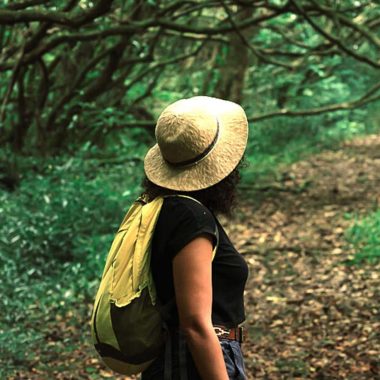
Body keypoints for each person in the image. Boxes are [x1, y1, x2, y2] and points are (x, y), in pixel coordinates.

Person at [141, 96, 249, 380]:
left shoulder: (165, 207)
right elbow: (195, 324)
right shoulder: (190, 218)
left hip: (180, 359)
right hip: (193, 362)